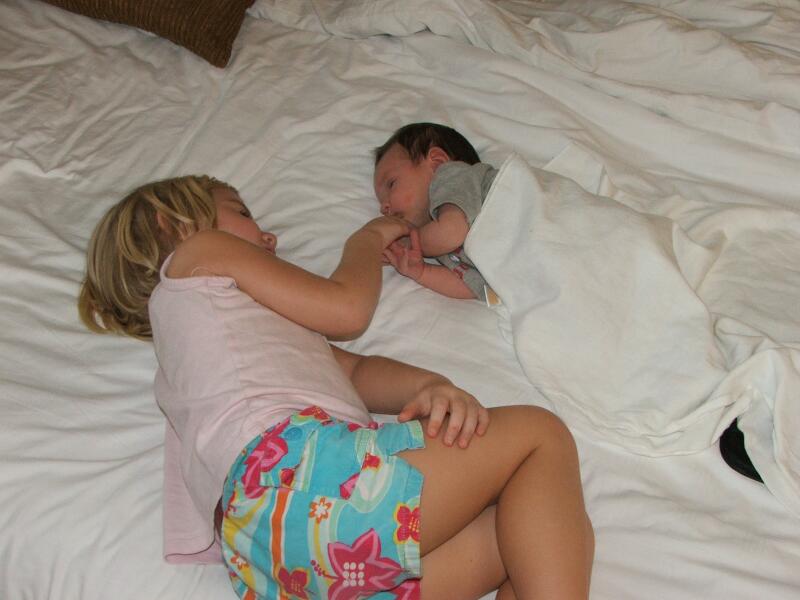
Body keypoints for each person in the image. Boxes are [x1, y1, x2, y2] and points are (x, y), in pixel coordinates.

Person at [78, 175, 593, 600]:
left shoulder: (201, 356)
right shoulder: (197, 255)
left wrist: (429, 384)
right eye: (242, 212)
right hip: (305, 481)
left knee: (520, 532)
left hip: (280, 562)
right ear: (172, 223)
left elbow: (354, 372)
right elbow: (346, 309)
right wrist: (365, 242)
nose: (268, 237)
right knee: (539, 436)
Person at [374, 122, 500, 305]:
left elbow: (450, 232)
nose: (383, 207)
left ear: (438, 162)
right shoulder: (441, 244)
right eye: (381, 201)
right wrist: (422, 272)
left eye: (392, 184)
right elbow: (476, 287)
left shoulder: (453, 176)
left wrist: (408, 244)